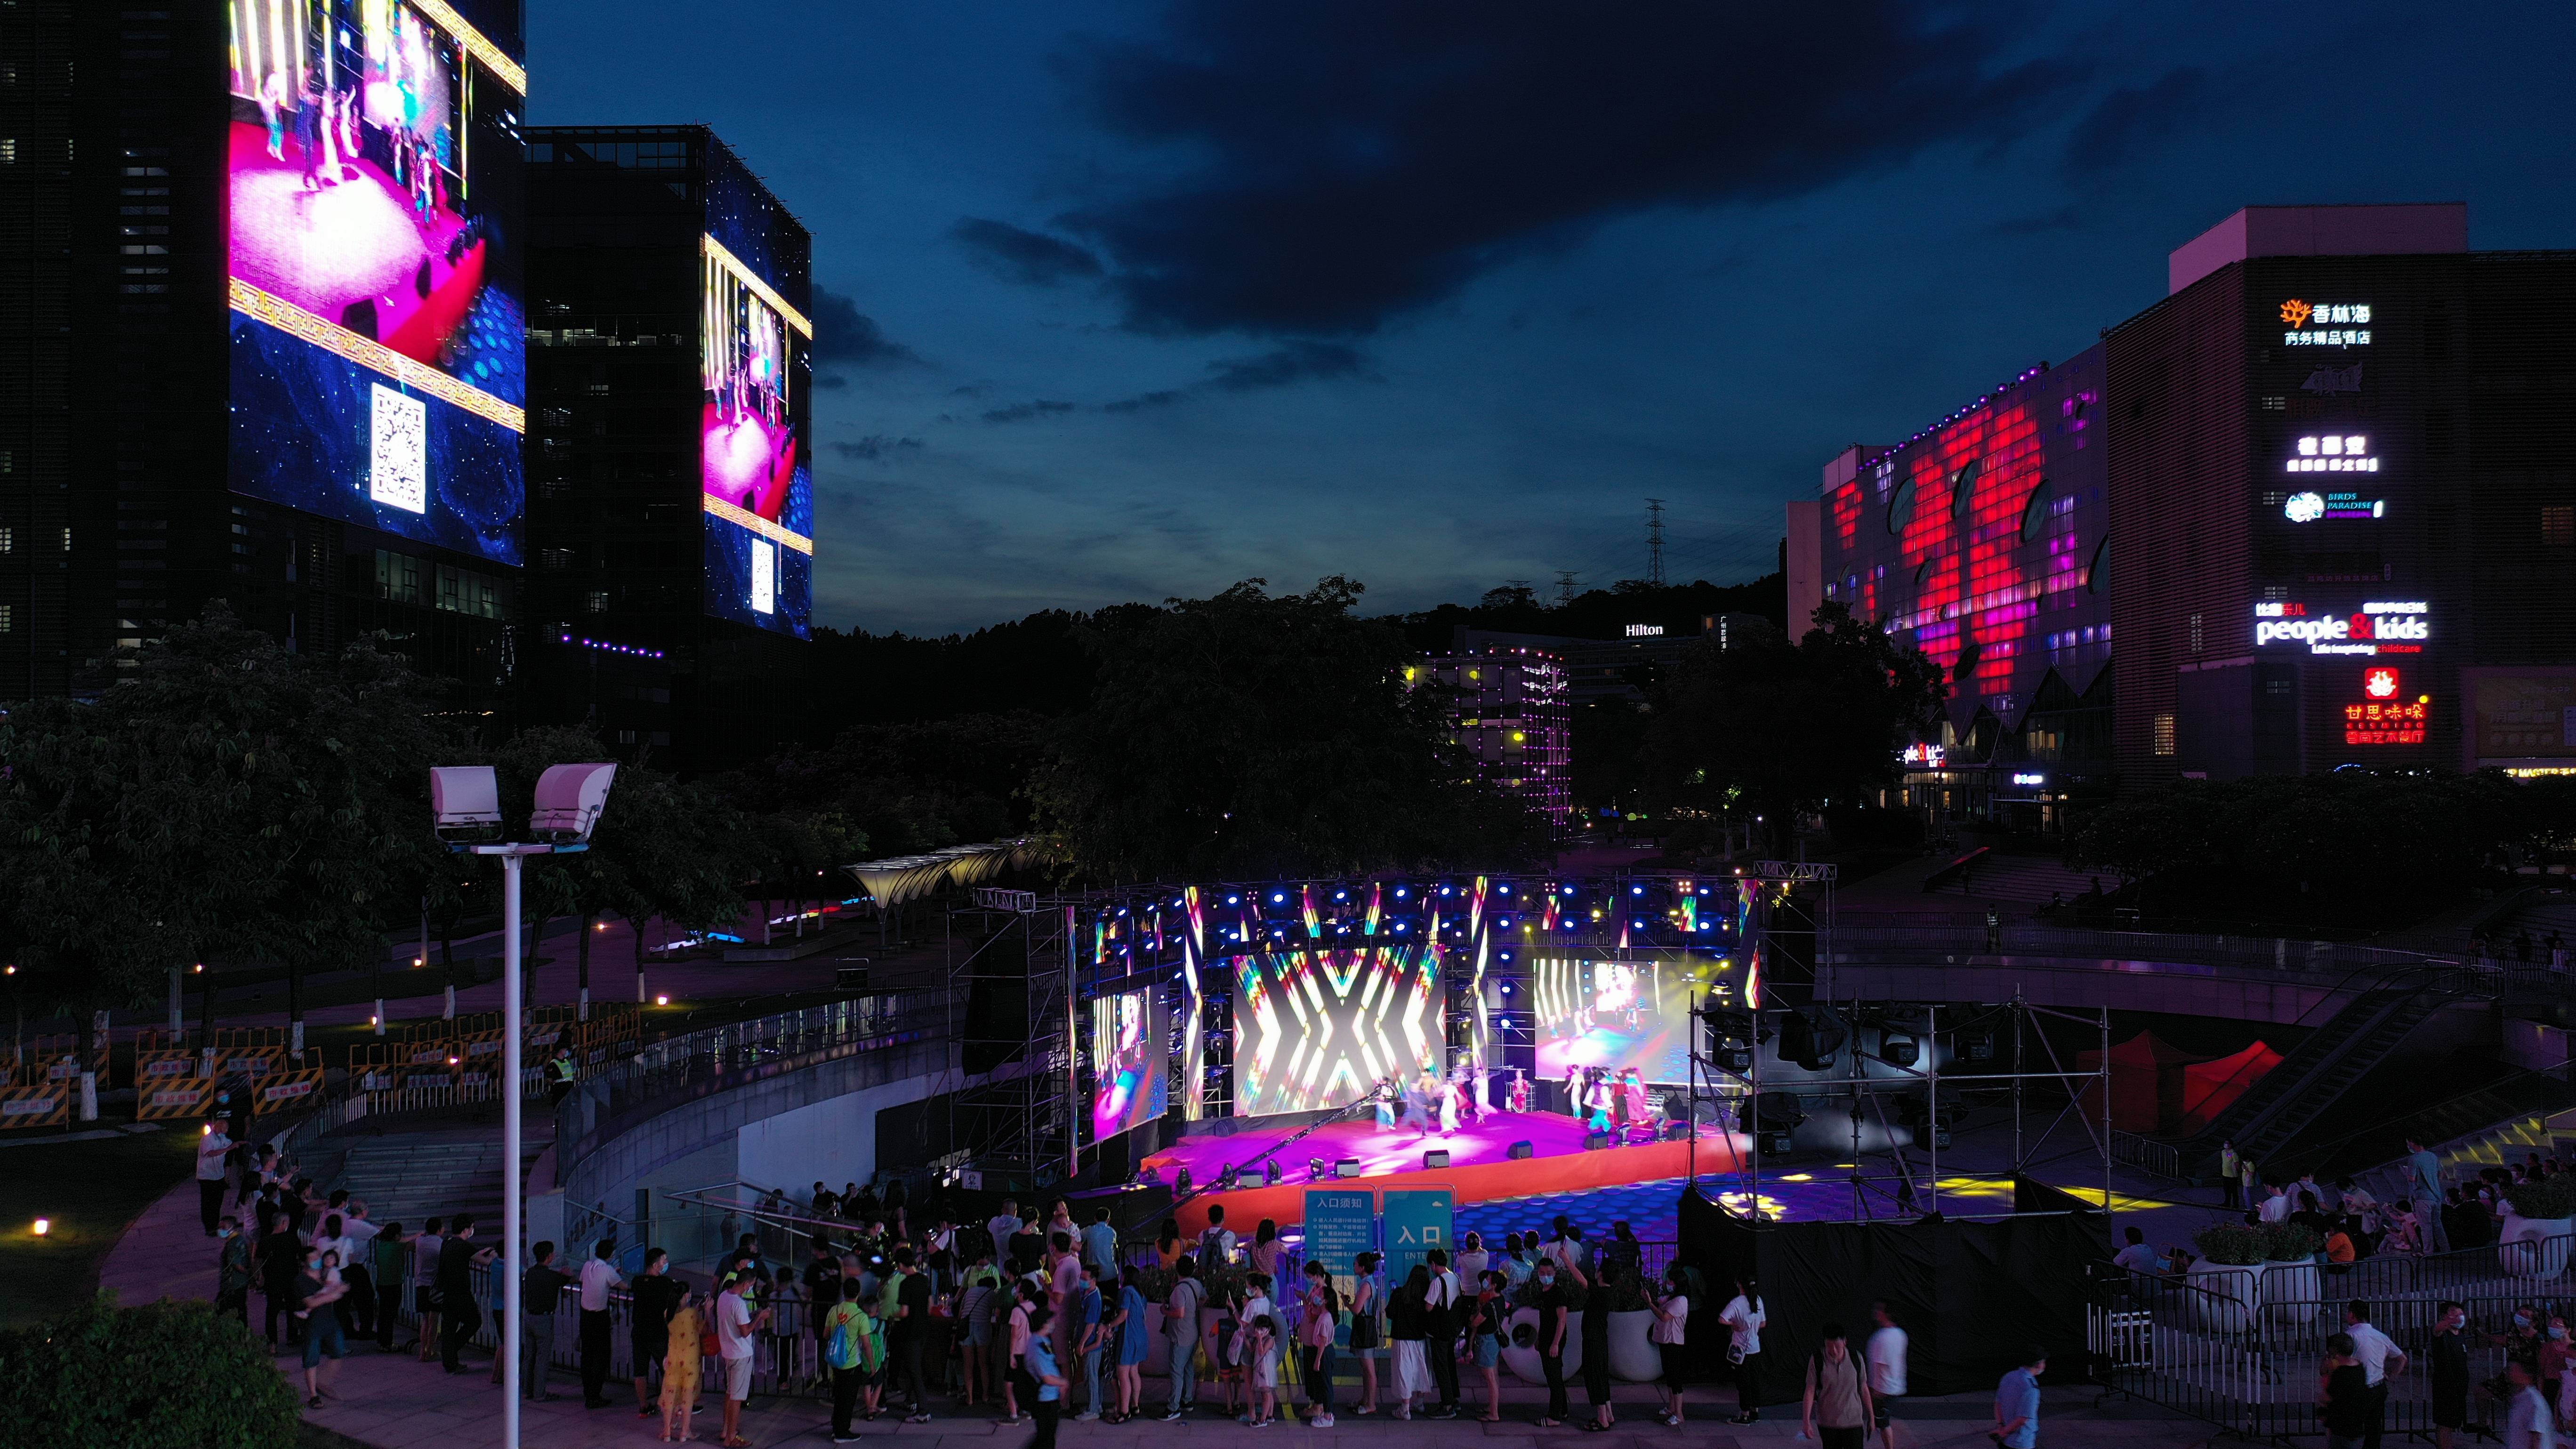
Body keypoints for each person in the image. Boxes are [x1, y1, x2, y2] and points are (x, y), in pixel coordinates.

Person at [436, 1215, 496, 1374]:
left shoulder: (447, 1243)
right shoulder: (464, 1246)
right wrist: (492, 1255)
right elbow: (485, 1262)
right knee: (474, 1321)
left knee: (449, 1327)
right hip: (461, 1292)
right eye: (471, 1228)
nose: (472, 1231)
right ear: (465, 1230)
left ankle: (450, 1362)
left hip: (447, 1292)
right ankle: (452, 1350)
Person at [2344, 1299, 2405, 1449]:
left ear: (2352, 1315)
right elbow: (2402, 1359)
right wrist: (2392, 1376)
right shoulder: (2380, 1336)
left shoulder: (2350, 1336)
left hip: (2358, 1388)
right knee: (2374, 1428)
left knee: (2347, 1428)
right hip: (2378, 1387)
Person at [633, 1248, 685, 1419]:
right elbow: (678, 1301)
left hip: (639, 1331)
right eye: (664, 1261)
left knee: (640, 1371)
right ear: (656, 1266)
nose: (666, 1263)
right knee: (668, 1370)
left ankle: (643, 1406)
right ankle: (673, 1406)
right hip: (658, 1333)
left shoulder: (637, 1281)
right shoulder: (666, 1284)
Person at [1802, 1321, 1872, 1449]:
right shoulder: (1817, 1359)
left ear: (1845, 1342)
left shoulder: (1856, 1358)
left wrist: (1871, 1416)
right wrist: (1806, 1421)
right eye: (1829, 1347)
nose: (1833, 1351)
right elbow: (1810, 1391)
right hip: (1828, 1423)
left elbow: (1863, 1388)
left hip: (1853, 1421)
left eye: (1837, 1347)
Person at [298, 1243, 350, 1408]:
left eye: (317, 1257)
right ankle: (313, 1395)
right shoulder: (301, 1281)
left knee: (339, 1352)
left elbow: (335, 1289)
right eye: (312, 1259)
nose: (317, 1261)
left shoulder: (325, 1274)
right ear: (304, 1263)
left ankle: (322, 1383)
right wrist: (333, 1295)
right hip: (312, 1325)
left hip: (330, 1321)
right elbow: (311, 1302)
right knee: (311, 1360)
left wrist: (338, 1290)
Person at [576, 1237, 626, 1408]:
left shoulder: (587, 1266)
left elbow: (585, 1281)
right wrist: (615, 1274)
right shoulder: (608, 1270)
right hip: (599, 1317)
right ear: (611, 1255)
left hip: (585, 1316)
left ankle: (588, 1391)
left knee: (587, 1355)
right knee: (602, 1356)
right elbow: (623, 1286)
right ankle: (594, 1394)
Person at [887, 1247, 935, 1423]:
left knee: (914, 1370)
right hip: (923, 1330)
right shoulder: (924, 1280)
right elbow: (930, 1307)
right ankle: (911, 1400)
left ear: (901, 1264)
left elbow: (904, 1312)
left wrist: (893, 1315)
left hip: (910, 1332)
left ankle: (923, 1411)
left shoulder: (906, 1284)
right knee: (913, 1367)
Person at [521, 1240, 572, 1401]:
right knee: (542, 1358)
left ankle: (527, 1389)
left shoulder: (530, 1273)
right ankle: (539, 1393)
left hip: (529, 1317)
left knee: (529, 1356)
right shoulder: (553, 1277)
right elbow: (569, 1279)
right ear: (549, 1256)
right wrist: (567, 1274)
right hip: (544, 1319)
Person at [826, 1276, 875, 1444]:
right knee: (848, 1400)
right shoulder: (861, 1316)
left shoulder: (835, 1310)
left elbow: (826, 1334)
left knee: (839, 1396)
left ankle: (836, 1427)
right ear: (859, 1294)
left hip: (835, 1361)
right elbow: (867, 1345)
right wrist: (873, 1367)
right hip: (852, 1363)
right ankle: (842, 1432)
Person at [1297, 1260, 1341, 1427]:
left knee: (1322, 1379)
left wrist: (1306, 1302)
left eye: (1310, 1277)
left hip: (1318, 1345)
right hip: (1312, 1339)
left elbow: (1313, 1317)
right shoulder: (1319, 1297)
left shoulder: (1324, 1308)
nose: (1309, 1280)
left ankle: (1323, 1410)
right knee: (1316, 1376)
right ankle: (1318, 1406)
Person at [661, 1286, 707, 1444]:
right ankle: (684, 1432)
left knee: (670, 1396)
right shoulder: (693, 1314)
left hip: (673, 1360)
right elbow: (702, 1329)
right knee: (687, 1399)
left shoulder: (668, 1313)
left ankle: (667, 1431)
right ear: (687, 1295)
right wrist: (706, 1311)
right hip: (690, 1361)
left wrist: (697, 1308)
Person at [1162, 1253, 1205, 1419]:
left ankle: (1173, 1407)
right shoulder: (1196, 1284)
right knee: (1188, 1367)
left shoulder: (1180, 1289)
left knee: (1176, 1370)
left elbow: (1179, 1313)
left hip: (1181, 1335)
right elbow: (1205, 1299)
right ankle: (1187, 1400)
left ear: (1177, 1270)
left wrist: (1164, 1311)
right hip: (1193, 1332)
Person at [1388, 1264, 1433, 1422]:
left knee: (1404, 1371)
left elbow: (1390, 1313)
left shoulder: (1400, 1293)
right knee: (1420, 1370)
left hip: (1401, 1338)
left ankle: (1405, 1408)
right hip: (1419, 1338)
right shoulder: (1426, 1296)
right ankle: (1419, 1402)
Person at [1533, 1253, 1572, 1428]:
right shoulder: (1544, 1293)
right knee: (1554, 1377)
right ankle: (1562, 1410)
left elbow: (1562, 1320)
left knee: (1554, 1378)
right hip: (1546, 1339)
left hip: (1554, 1341)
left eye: (1548, 1272)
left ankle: (1554, 1416)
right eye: (1542, 1272)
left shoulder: (1558, 1294)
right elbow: (1544, 1318)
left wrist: (1555, 1343)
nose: (1545, 1276)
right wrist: (1539, 1338)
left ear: (1554, 1273)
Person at [1721, 1277, 1766, 1425]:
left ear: (1740, 1286)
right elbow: (1763, 1323)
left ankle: (1744, 1415)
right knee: (1755, 1381)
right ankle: (1755, 1411)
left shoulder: (1737, 1303)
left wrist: (1734, 1325)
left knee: (1743, 1383)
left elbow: (1722, 1319)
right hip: (1755, 1348)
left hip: (1740, 1350)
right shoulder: (1758, 1300)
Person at [1424, 1247, 1463, 1418]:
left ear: (1433, 1264)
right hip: (1453, 1328)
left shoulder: (1438, 1282)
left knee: (1441, 1367)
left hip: (1439, 1330)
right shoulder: (1455, 1278)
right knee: (1450, 1365)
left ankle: (1447, 1405)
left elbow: (1429, 1306)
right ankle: (1454, 1399)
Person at [1578, 1256, 1615, 1429]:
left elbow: (1583, 1281)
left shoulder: (1601, 1293)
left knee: (1595, 1379)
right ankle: (1608, 1414)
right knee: (1601, 1377)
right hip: (1599, 1340)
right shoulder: (1606, 1292)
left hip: (1593, 1341)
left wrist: (1567, 1261)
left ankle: (1602, 1419)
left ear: (1601, 1274)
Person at [1652, 1264, 1691, 1427]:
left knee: (1675, 1378)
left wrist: (1649, 1303)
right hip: (1665, 1340)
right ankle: (1672, 1407)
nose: (1667, 1282)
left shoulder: (1681, 1300)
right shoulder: (1672, 1298)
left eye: (1670, 1280)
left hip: (1673, 1342)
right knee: (1669, 1375)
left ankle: (1679, 1414)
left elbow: (1664, 1316)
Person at [1025, 1304, 1068, 1449]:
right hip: (1045, 1400)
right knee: (1046, 1439)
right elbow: (1046, 1378)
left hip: (1050, 1397)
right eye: (1050, 1321)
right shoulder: (1036, 1347)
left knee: (1045, 1437)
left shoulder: (1044, 1341)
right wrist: (1064, 1383)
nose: (1053, 1323)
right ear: (1044, 1324)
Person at [1867, 1300, 1908, 1448]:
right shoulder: (1901, 1334)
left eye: (1879, 1310)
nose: (1876, 1313)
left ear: (1886, 1314)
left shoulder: (1882, 1337)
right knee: (1886, 1422)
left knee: (1884, 1424)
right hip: (1895, 1386)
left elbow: (1880, 1366)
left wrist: (1876, 1392)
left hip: (1883, 1389)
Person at [2431, 1300, 2470, 1449]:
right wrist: (2447, 1322)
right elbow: (2438, 1330)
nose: (2459, 1316)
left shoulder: (2460, 1335)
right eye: (2454, 1313)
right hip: (2445, 1385)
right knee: (2445, 1423)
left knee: (2453, 1422)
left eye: (2460, 1313)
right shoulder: (2442, 1334)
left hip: (2459, 1385)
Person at [1349, 1249, 1385, 1414]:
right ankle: (1366, 1399)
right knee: (1365, 1367)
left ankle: (1371, 1403)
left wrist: (1347, 1304)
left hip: (1365, 1327)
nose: (1354, 1266)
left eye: (1356, 1264)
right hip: (1366, 1326)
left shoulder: (1366, 1285)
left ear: (1362, 1267)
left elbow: (1357, 1309)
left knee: (1369, 1369)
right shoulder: (1369, 1282)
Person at [1071, 1261, 1106, 1421]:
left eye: (1085, 1278)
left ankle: (1093, 1410)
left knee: (1091, 1376)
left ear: (1094, 1280)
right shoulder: (1089, 1294)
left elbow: (1091, 1325)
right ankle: (1096, 1404)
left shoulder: (1093, 1300)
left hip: (1091, 1345)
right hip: (1090, 1344)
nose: (1082, 1280)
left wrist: (1082, 1344)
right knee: (1092, 1376)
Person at [1994, 1346, 2045, 1449]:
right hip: (2022, 1442)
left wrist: (2001, 1426)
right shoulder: (2031, 1388)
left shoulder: (2008, 1377)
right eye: (2043, 1362)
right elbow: (2023, 1419)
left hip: (2005, 1441)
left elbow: (1998, 1404)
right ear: (2038, 1364)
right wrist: (2004, 1432)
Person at [1112, 1271, 1147, 1421]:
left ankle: (1124, 1412)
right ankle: (1135, 1405)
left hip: (1128, 1337)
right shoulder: (1142, 1295)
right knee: (1134, 1372)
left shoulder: (1126, 1292)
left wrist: (1107, 1326)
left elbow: (1123, 1316)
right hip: (1141, 1336)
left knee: (1123, 1375)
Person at [2408, 1140, 2450, 1253]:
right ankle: (2446, 1250)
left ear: (2413, 1143)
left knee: (2426, 1227)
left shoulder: (2414, 1159)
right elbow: (2441, 1174)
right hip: (2436, 1196)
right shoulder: (2433, 1156)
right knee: (2438, 1225)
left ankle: (2428, 1252)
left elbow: (2412, 1178)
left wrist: (2421, 1182)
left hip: (2423, 1196)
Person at [2504, 1359, 2555, 1449]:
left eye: (2512, 1370)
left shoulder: (2533, 1402)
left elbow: (2536, 1438)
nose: (2508, 1373)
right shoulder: (2521, 1398)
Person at [197, 1121, 233, 1236]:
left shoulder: (223, 1138)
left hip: (219, 1176)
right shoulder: (207, 1139)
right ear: (218, 1127)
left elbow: (229, 1145)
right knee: (208, 1203)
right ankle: (209, 1227)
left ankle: (216, 1225)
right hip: (207, 1176)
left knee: (217, 1202)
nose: (226, 1130)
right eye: (225, 1128)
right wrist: (228, 1149)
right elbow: (211, 1153)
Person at [216, 1215, 253, 1326]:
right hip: (240, 1283)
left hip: (233, 1283)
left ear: (231, 1227)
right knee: (241, 1308)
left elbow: (236, 1264)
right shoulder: (241, 1240)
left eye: (223, 1227)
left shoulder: (232, 1244)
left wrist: (248, 1274)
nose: (220, 1230)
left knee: (222, 1309)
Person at [1082, 1207, 1119, 1275]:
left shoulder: (1089, 1230)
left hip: (1093, 1275)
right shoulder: (1112, 1232)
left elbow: (1078, 1238)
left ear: (1095, 1218)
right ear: (1108, 1220)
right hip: (1110, 1273)